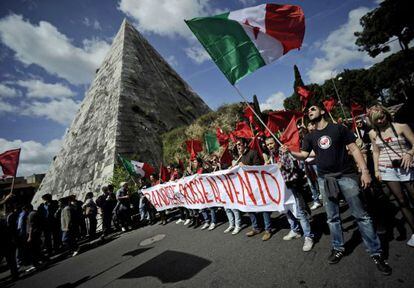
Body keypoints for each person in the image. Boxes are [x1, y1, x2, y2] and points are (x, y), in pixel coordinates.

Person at [288, 104, 392, 275]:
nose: (309, 112)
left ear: (322, 111)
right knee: (332, 218)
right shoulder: (310, 136)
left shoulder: (339, 129)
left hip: (346, 176)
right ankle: (338, 248)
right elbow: (304, 155)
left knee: (362, 216)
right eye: (309, 111)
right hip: (325, 180)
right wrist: (291, 152)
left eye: (313, 109)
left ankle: (376, 253)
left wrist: (365, 171)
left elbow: (354, 148)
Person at [368, 104, 414, 247]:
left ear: (386, 114)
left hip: (406, 167)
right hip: (387, 170)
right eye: (376, 120)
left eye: (381, 117)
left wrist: (409, 154)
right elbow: (375, 151)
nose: (380, 121)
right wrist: (376, 170)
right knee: (401, 201)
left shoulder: (401, 126)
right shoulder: (373, 133)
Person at [266, 137, 314, 252]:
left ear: (275, 142)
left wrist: (282, 166)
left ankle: (308, 236)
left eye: (271, 143)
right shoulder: (272, 155)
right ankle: (295, 230)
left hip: (293, 185)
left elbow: (292, 166)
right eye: (267, 145)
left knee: (300, 210)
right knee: (286, 208)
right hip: (283, 187)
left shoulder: (283, 151)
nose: (270, 146)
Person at [236, 138, 271, 240]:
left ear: (245, 144)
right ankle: (256, 227)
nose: (238, 146)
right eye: (237, 145)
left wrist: (245, 166)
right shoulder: (241, 157)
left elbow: (257, 168)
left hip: (257, 185)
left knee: (263, 207)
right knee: (249, 207)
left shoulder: (253, 153)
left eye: (239, 144)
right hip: (247, 186)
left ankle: (268, 229)